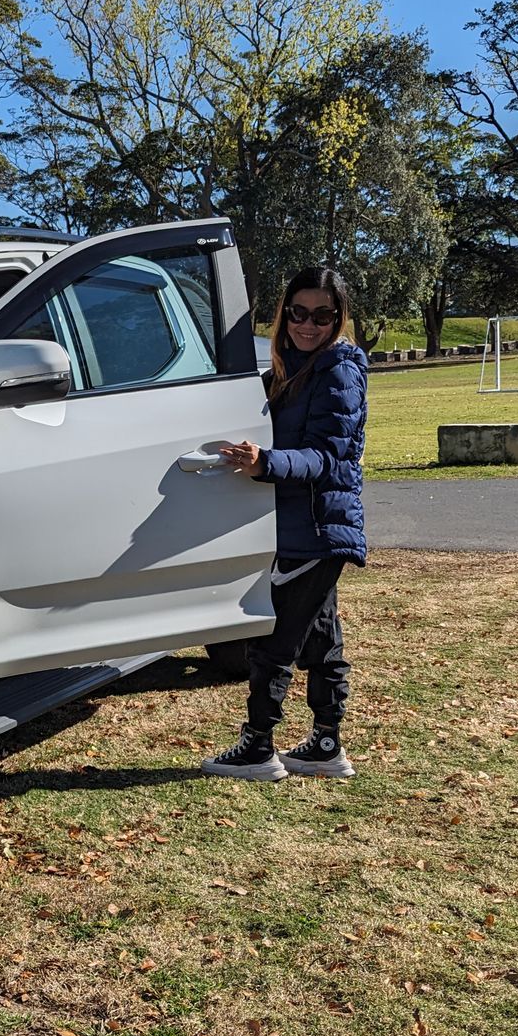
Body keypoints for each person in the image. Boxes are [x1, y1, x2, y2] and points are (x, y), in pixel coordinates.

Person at [201, 266, 369, 781]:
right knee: (322, 639)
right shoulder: (287, 369)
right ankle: (324, 745)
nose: (309, 324)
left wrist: (265, 463)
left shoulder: (337, 371)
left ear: (339, 319)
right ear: (284, 314)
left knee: (275, 642)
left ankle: (258, 748)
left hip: (318, 529)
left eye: (323, 315)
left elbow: (324, 457)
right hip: (301, 527)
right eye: (299, 312)